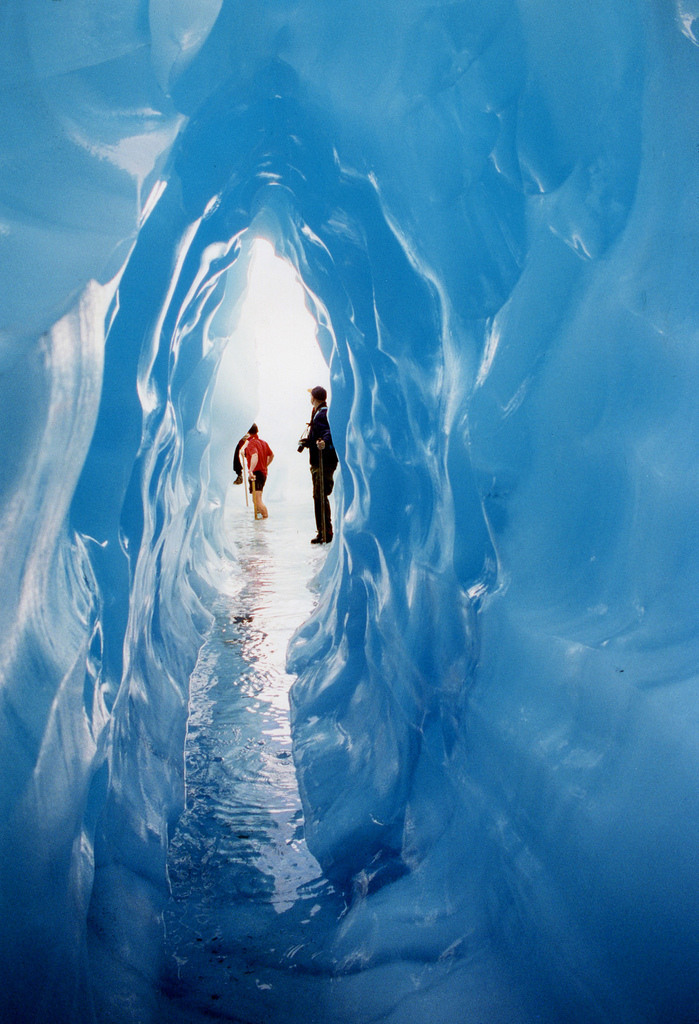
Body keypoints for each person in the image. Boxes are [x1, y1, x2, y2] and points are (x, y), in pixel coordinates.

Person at [299, 386, 338, 544]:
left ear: (314, 398)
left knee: (320, 495)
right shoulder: (318, 413)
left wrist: (324, 442)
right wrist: (308, 442)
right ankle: (323, 531)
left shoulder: (323, 413)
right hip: (319, 459)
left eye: (311, 395)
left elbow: (328, 431)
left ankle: (326, 532)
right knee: (319, 495)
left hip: (324, 460)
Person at [242, 423, 274, 519]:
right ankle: (260, 525)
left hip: (256, 473)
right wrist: (265, 465)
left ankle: (265, 520)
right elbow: (272, 455)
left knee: (257, 500)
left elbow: (255, 456)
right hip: (262, 473)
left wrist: (250, 471)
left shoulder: (251, 443)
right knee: (256, 499)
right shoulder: (263, 442)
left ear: (247, 432)